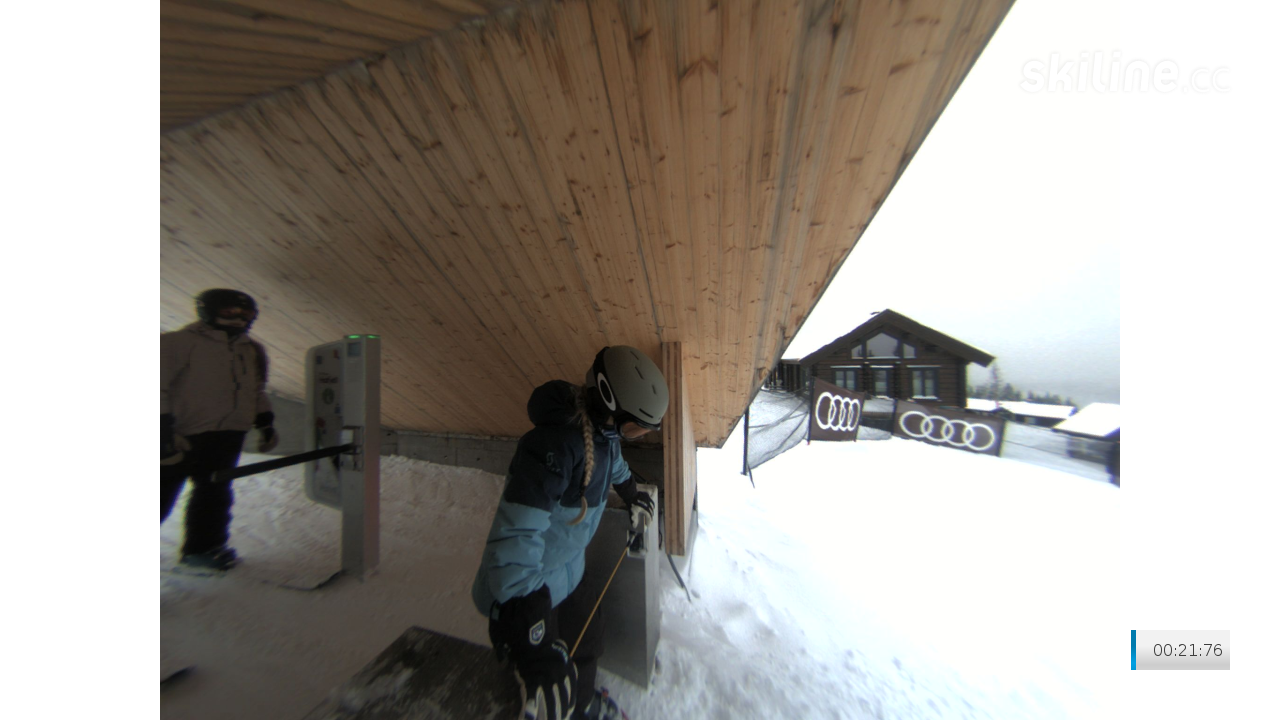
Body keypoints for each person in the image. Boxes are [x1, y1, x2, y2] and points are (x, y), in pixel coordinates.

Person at [472, 346, 666, 720]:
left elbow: (615, 464)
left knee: (588, 640)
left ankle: (584, 702)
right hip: (530, 586)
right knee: (546, 673)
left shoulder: (604, 434)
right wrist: (529, 629)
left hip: (570, 569)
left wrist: (632, 494)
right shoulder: (553, 446)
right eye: (634, 428)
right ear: (607, 400)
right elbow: (515, 537)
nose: (634, 437)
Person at [160, 289, 278, 571]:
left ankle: (203, 549)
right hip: (181, 435)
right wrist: (163, 435)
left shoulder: (252, 350)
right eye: (229, 312)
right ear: (208, 311)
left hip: (227, 435)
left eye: (245, 313)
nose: (238, 318)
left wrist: (265, 423)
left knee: (214, 493)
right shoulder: (177, 343)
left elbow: (255, 390)